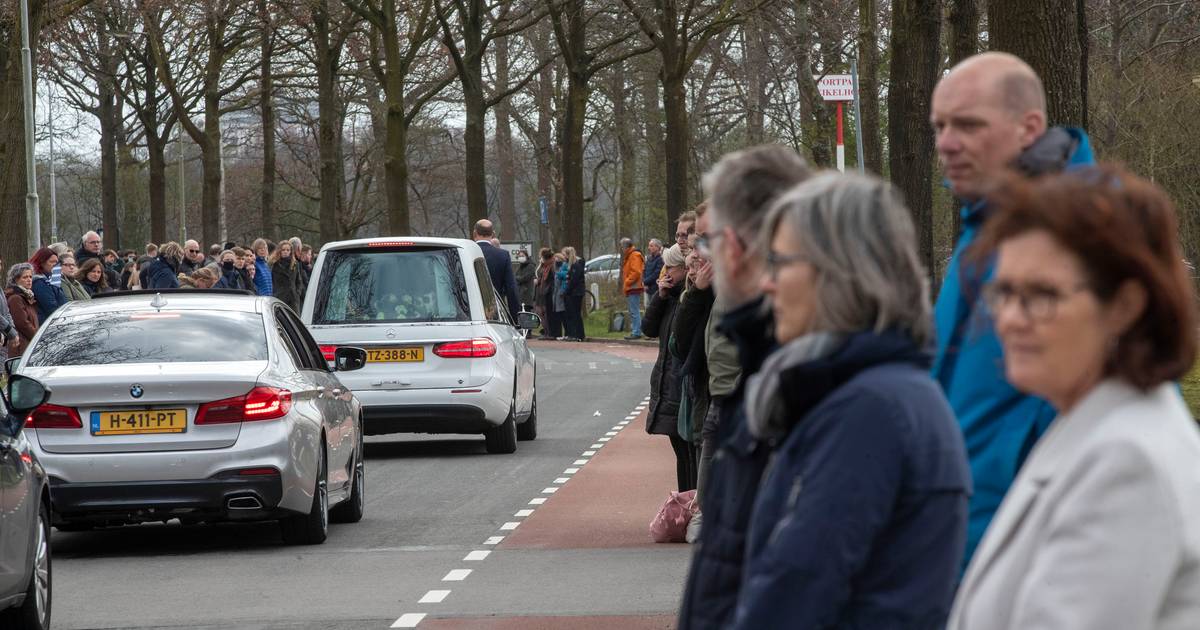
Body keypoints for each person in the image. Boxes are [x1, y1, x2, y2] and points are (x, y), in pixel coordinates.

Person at [948, 167, 1200, 628]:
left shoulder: (1127, 462)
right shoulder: (1092, 423)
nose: (1010, 319)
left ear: (1125, 306)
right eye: (1004, 292)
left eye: (1041, 294)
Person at [728, 172, 970, 628]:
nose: (767, 284)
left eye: (780, 263)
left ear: (838, 271)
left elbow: (797, 587)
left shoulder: (868, 411)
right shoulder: (886, 393)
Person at [930, 52, 1097, 569]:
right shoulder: (982, 228)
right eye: (939, 126)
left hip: (1024, 562)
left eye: (968, 125)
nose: (945, 143)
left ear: (1029, 127)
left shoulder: (1085, 233)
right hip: (958, 556)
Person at [678, 144, 812, 630]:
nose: (703, 255)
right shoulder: (759, 387)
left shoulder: (813, 397)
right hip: (724, 393)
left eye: (712, 241)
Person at [643, 244, 690, 489]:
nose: (665, 271)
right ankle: (685, 503)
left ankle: (690, 505)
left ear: (684, 268)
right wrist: (659, 298)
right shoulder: (669, 298)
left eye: (670, 266)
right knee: (681, 453)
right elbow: (648, 328)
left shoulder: (687, 298)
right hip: (668, 382)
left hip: (679, 383)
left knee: (688, 453)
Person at [473, 220, 521, 322]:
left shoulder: (465, 252)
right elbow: (511, 289)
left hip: (468, 311)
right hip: (495, 312)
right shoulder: (503, 255)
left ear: (475, 233)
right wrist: (516, 319)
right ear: (493, 234)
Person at [5, 264, 39, 357]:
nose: (29, 280)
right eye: (25, 277)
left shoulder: (28, 297)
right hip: (21, 347)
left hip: (28, 345)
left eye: (30, 277)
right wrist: (38, 337)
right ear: (16, 280)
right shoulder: (15, 298)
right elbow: (22, 323)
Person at [28, 248, 67, 324]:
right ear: (41, 263)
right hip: (47, 324)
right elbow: (51, 308)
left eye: (56, 262)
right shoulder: (39, 282)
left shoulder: (52, 278)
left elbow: (63, 301)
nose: (55, 265)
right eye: (52, 262)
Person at [620, 238, 645, 340]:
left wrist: (627, 281)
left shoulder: (634, 255)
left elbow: (636, 272)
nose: (621, 249)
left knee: (634, 311)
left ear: (626, 247)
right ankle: (636, 330)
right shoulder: (630, 255)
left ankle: (637, 332)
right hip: (632, 287)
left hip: (634, 286)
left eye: (622, 247)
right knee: (633, 310)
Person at [560, 246, 586, 341]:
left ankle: (579, 334)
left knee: (576, 314)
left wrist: (567, 290)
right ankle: (573, 334)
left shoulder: (576, 265)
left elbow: (574, 280)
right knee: (571, 314)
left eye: (564, 255)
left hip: (576, 293)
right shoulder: (571, 265)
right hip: (572, 292)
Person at [270, 240, 302, 312]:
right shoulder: (274, 265)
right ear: (279, 251)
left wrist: (297, 293)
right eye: (283, 250)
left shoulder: (295, 264)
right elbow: (272, 281)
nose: (285, 252)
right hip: (280, 297)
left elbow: (299, 280)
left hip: (293, 299)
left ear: (291, 251)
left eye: (288, 250)